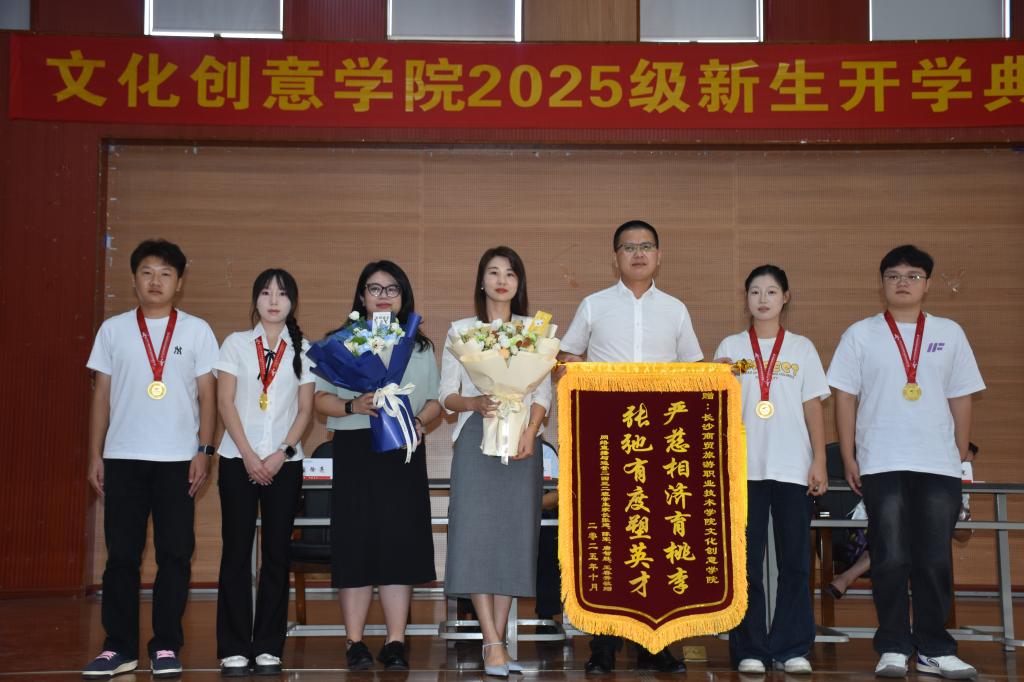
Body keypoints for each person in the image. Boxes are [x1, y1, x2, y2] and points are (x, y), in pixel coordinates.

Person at [827, 245, 985, 680]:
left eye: (913, 276)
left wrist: (958, 455)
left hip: (938, 465)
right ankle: (893, 646)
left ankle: (935, 648)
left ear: (927, 284)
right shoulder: (860, 334)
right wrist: (848, 456)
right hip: (881, 462)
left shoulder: (950, 333)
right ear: (881, 283)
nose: (903, 282)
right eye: (893, 275)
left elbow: (961, 396)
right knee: (890, 556)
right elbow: (845, 397)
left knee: (934, 559)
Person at [558, 219, 700, 675]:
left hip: (661, 442)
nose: (638, 254)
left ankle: (654, 644)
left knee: (656, 539)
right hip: (605, 440)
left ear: (659, 255)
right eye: (628, 247)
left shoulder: (676, 310)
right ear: (615, 257)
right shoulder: (594, 305)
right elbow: (567, 357)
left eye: (646, 246)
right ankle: (602, 645)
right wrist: (575, 370)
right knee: (606, 540)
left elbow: (695, 372)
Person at [82, 239, 219, 679]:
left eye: (165, 274)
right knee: (121, 556)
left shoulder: (197, 331)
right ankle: (118, 647)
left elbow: (208, 396)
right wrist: (95, 455)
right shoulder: (113, 330)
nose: (155, 281)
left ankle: (165, 645)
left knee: (175, 555)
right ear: (134, 279)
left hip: (178, 460)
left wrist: (204, 451)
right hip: (122, 457)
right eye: (147, 272)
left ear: (179, 283)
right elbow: (101, 396)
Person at [313, 261, 441, 671]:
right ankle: (354, 643)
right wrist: (354, 405)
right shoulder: (341, 342)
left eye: (392, 289)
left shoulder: (418, 346)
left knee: (397, 544)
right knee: (356, 543)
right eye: (374, 288)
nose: (383, 296)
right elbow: (320, 399)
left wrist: (418, 422)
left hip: (403, 449)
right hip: (355, 448)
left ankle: (395, 642)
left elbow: (436, 400)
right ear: (361, 296)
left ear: (403, 296)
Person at [713, 264, 829, 675]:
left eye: (772, 291)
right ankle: (750, 648)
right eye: (755, 292)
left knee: (796, 562)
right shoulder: (730, 346)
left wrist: (819, 460)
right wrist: (719, 377)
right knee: (745, 565)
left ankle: (792, 647)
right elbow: (716, 408)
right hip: (743, 470)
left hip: (793, 468)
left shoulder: (801, 348)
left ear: (786, 297)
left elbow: (813, 406)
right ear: (745, 298)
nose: (763, 299)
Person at [440, 246, 551, 677]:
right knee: (476, 537)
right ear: (481, 281)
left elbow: (542, 394)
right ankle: (492, 643)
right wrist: (474, 402)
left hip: (522, 440)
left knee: (512, 538)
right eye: (493, 272)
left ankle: (499, 642)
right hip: (476, 438)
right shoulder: (461, 330)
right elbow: (446, 396)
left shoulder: (534, 330)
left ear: (519, 282)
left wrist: (531, 431)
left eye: (510, 273)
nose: (502, 280)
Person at [214, 269, 314, 676]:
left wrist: (280, 453)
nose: (274, 300)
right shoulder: (236, 344)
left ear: (293, 302)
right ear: (255, 299)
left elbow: (305, 410)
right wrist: (249, 455)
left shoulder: (304, 349)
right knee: (236, 552)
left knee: (276, 554)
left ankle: (269, 645)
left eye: (282, 293)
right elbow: (225, 403)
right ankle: (234, 647)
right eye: (266, 292)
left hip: (284, 463)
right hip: (237, 460)